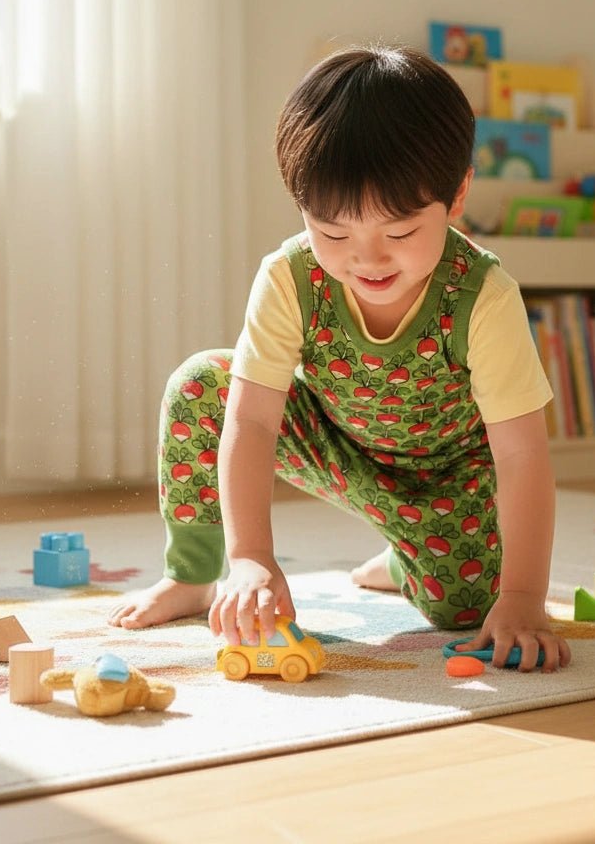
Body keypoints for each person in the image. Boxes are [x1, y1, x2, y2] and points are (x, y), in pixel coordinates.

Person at [108, 45, 571, 673]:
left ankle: (408, 553)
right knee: (202, 386)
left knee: (464, 607)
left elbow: (521, 454)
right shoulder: (290, 278)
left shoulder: (482, 297)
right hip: (340, 446)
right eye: (334, 234)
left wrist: (522, 598)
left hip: (447, 479)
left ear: (457, 193)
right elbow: (252, 422)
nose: (368, 259)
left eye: (400, 233)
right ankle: (193, 575)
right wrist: (251, 558)